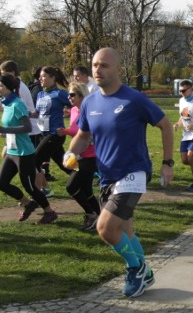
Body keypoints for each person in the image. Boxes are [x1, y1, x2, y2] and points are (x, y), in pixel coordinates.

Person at [64, 47, 174, 298]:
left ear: (118, 69)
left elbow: (165, 125)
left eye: (104, 65)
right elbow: (83, 136)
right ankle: (145, 273)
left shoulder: (133, 99)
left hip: (134, 172)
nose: (97, 70)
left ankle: (135, 268)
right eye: (94, 65)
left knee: (105, 228)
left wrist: (167, 163)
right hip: (107, 176)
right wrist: (71, 153)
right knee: (125, 231)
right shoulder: (90, 101)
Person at [0, 74, 57, 224]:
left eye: (0, 86)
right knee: (2, 184)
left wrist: (5, 129)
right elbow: (12, 125)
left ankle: (49, 212)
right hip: (12, 151)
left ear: (8, 87)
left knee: (30, 187)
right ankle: (28, 204)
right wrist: (4, 133)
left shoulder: (17, 104)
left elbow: (27, 127)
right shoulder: (6, 104)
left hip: (24, 153)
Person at [58, 82, 101, 229]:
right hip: (79, 155)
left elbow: (95, 131)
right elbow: (77, 131)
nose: (69, 97)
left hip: (91, 156)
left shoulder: (89, 111)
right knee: (86, 190)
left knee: (72, 186)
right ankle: (100, 218)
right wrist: (66, 131)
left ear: (81, 96)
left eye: (72, 94)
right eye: (68, 94)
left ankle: (91, 214)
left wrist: (90, 140)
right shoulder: (74, 111)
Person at [33, 66, 73, 193]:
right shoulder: (40, 93)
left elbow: (77, 105)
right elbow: (37, 113)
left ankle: (41, 190)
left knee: (35, 160)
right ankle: (82, 178)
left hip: (55, 134)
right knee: (64, 164)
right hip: (43, 134)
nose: (40, 78)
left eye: (43, 76)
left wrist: (70, 112)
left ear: (53, 78)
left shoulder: (60, 94)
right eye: (40, 76)